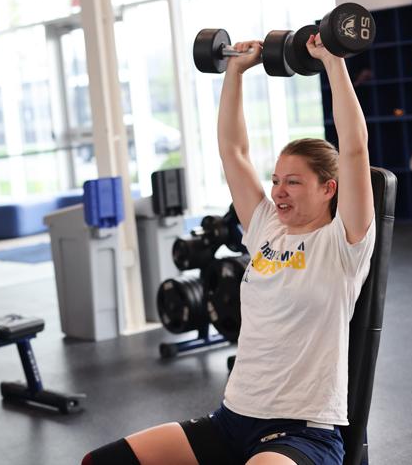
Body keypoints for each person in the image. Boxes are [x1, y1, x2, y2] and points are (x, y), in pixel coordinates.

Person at [81, 32, 376, 465]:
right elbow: (233, 151)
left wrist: (334, 62)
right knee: (102, 463)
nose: (278, 191)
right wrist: (234, 72)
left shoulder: (343, 243)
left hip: (300, 432)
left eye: (293, 182)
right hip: (231, 420)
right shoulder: (265, 229)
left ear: (330, 188)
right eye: (276, 180)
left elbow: (354, 149)